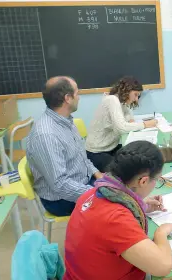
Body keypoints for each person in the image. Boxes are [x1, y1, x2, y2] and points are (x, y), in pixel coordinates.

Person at [64, 141, 172, 280]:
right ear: (143, 181)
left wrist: (140, 204)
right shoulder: (116, 220)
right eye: (157, 179)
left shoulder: (92, 193)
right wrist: (161, 232)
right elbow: (162, 267)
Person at [26, 76, 103, 217]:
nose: (79, 98)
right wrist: (96, 193)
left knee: (122, 187)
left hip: (81, 183)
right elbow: (60, 185)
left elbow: (82, 157)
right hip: (61, 200)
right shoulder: (46, 135)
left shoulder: (66, 121)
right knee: (118, 205)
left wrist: (99, 176)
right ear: (68, 98)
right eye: (77, 93)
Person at [86, 76, 157, 172]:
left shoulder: (120, 101)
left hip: (111, 147)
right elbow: (122, 128)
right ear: (127, 90)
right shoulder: (112, 100)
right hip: (97, 153)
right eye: (135, 95)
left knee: (136, 157)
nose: (136, 99)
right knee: (126, 171)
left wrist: (128, 109)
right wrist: (145, 124)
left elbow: (129, 119)